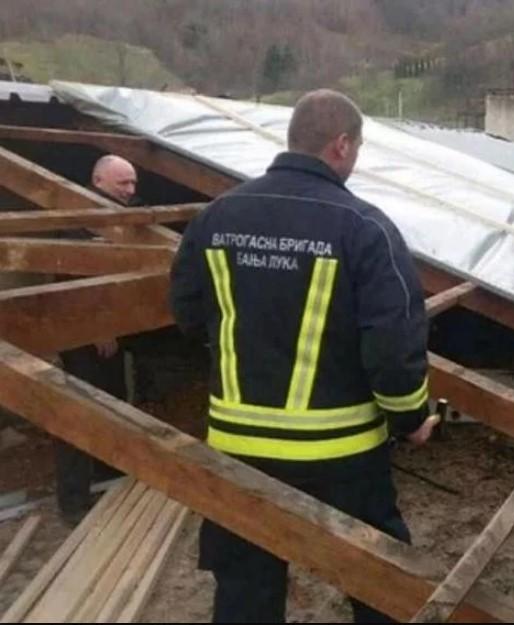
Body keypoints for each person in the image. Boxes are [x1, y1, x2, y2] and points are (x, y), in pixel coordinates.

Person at [169, 89, 437, 623]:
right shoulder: (364, 228)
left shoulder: (217, 217)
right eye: (357, 149)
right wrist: (411, 419)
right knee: (378, 582)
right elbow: (392, 344)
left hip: (238, 448)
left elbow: (188, 312)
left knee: (245, 588)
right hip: (342, 454)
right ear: (341, 146)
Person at [54, 155, 138, 525]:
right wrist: (95, 328)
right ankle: (72, 500)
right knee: (78, 411)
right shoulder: (77, 221)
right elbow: (69, 283)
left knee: (113, 402)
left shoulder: (117, 219)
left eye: (133, 184)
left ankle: (108, 474)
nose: (130, 191)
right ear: (98, 180)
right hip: (79, 332)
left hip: (111, 331)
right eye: (123, 183)